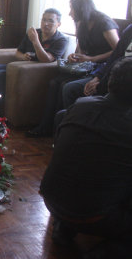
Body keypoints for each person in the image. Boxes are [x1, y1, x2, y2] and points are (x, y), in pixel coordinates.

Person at [40, 58, 132, 258]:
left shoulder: (80, 106)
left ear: (109, 82)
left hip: (51, 200)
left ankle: (64, 228)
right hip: (94, 215)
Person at [27, 0, 119, 137]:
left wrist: (93, 58)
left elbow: (117, 51)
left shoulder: (104, 23)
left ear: (81, 9)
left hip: (102, 67)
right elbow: (80, 48)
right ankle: (47, 126)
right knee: (54, 83)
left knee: (66, 86)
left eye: (72, 9)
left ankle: (69, 130)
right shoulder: (81, 23)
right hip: (86, 65)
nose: (70, 13)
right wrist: (75, 56)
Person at [0, 8, 68, 112]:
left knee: (0, 75)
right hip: (18, 67)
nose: (46, 23)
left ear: (59, 24)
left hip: (33, 73)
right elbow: (18, 52)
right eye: (43, 20)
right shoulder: (35, 32)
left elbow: (47, 59)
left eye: (50, 21)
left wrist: (35, 41)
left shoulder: (61, 40)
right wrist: (23, 56)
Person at [61, 23, 132, 108]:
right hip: (108, 77)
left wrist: (101, 85)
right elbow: (114, 57)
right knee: (70, 88)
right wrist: (97, 78)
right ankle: (72, 119)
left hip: (121, 84)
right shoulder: (130, 29)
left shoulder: (104, 23)